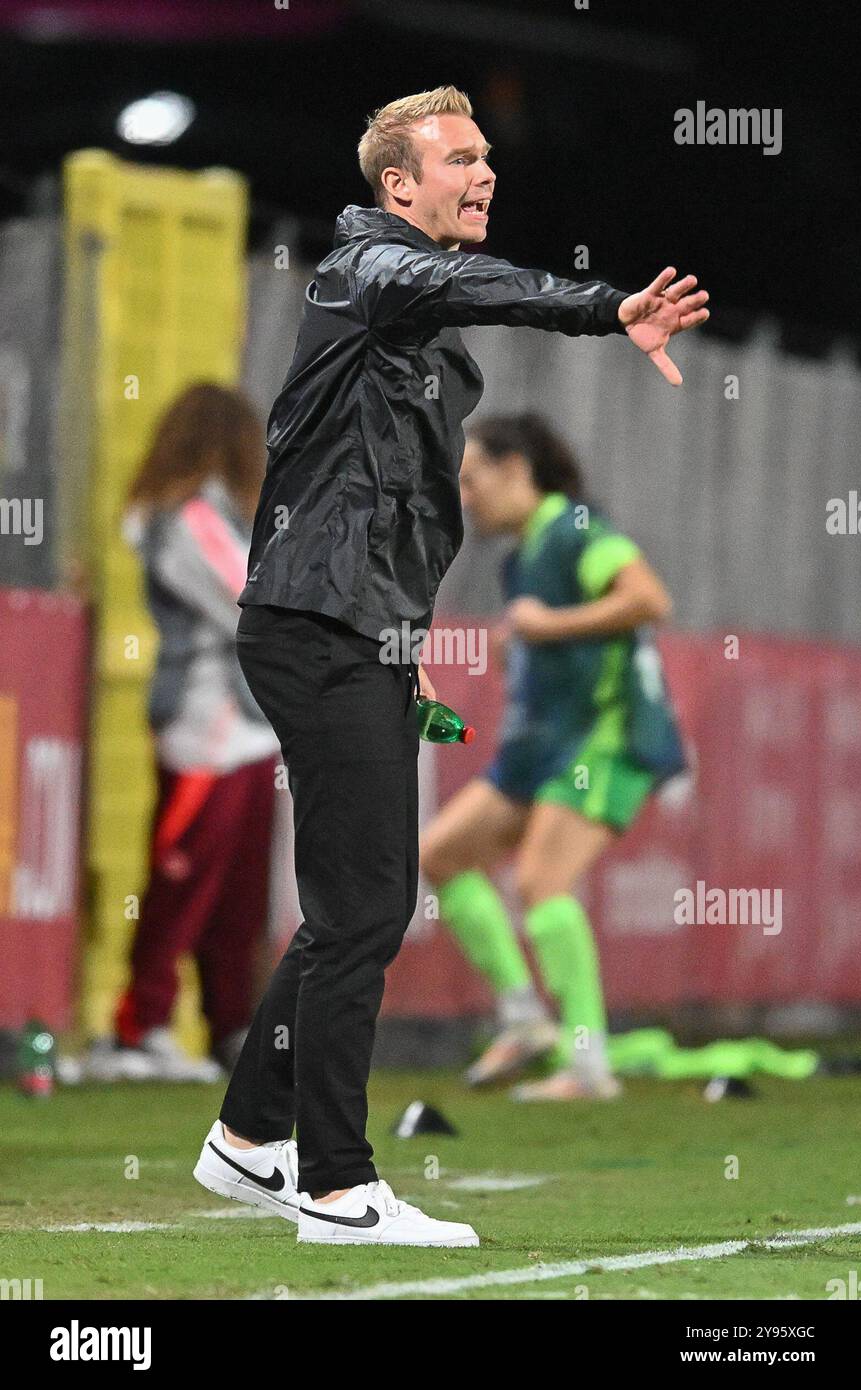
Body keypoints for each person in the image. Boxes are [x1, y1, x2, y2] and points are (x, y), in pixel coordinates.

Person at [193, 84, 708, 1246]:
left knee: (353, 906)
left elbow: (399, 509)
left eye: (486, 158)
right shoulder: (367, 270)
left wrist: (406, 642)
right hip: (312, 620)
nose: (482, 174)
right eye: (458, 159)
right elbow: (472, 288)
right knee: (364, 902)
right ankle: (333, 1184)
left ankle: (243, 1140)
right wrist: (602, 306)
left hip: (346, 623)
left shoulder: (409, 313)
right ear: (397, 187)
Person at [420, 413, 687, 1100]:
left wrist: (547, 625)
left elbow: (648, 599)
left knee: (541, 883)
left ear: (516, 470)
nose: (466, 497)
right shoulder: (522, 556)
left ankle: (587, 1064)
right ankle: (523, 1019)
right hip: (542, 744)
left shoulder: (574, 528)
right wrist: (527, 639)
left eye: (473, 480)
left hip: (605, 736)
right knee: (441, 854)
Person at [86, 383, 280, 1083]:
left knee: (237, 899)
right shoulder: (185, 516)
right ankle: (141, 1027)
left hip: (249, 729)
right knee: (180, 883)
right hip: (209, 728)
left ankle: (230, 1028)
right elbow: (250, 603)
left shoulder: (208, 513)